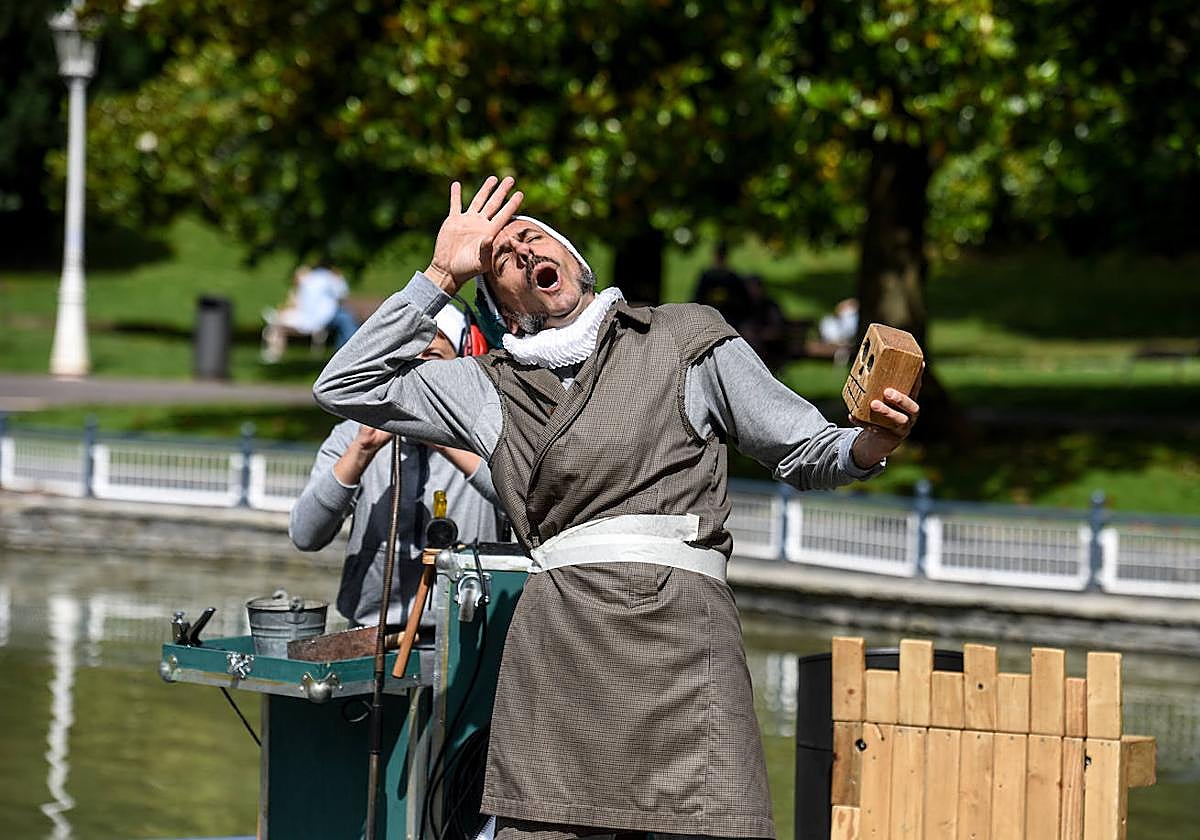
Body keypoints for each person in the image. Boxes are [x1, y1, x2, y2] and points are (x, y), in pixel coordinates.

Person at [313, 176, 921, 840]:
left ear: (577, 263)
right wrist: (440, 275)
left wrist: (870, 442)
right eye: (502, 260)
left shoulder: (687, 337)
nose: (520, 250)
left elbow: (803, 449)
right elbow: (346, 383)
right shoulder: (488, 389)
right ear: (507, 311)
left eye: (533, 237)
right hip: (558, 656)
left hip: (684, 648)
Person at [290, 304, 502, 629]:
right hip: (370, 632)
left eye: (431, 358)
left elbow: (521, 500)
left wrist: (441, 433)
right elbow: (305, 535)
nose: (416, 375)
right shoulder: (351, 433)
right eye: (405, 361)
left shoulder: (489, 431)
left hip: (469, 633)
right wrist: (360, 452)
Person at [262, 263, 359, 362]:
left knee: (344, 319)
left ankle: (345, 354)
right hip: (322, 317)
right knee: (346, 319)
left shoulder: (308, 281)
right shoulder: (327, 277)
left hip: (311, 317)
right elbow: (342, 293)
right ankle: (351, 352)